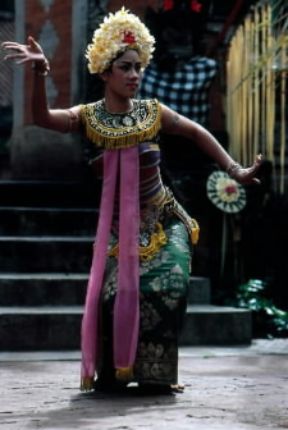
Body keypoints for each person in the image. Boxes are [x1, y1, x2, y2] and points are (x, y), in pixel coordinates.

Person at [2, 7, 261, 394]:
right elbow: (42, 118)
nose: (135, 75)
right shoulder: (90, 116)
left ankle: (156, 374)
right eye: (125, 67)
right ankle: (115, 372)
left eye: (138, 67)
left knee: (168, 284)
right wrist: (41, 73)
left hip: (164, 220)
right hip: (120, 231)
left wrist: (234, 169)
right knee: (113, 295)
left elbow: (195, 132)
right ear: (105, 72)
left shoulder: (153, 113)